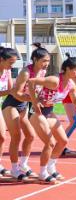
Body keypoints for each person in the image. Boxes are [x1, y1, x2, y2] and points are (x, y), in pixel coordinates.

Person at [28, 53, 76, 183]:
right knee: (50, 142)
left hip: (49, 112)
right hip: (37, 113)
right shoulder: (54, 81)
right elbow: (31, 82)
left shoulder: (71, 85)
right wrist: (35, 103)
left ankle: (51, 167)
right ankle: (42, 173)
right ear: (68, 69)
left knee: (63, 141)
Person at [2, 43, 49, 180]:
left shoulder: (42, 72)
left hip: (24, 105)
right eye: (44, 61)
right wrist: (32, 100)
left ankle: (23, 164)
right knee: (16, 136)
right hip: (12, 104)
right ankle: (14, 168)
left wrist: (40, 99)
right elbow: (16, 92)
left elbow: (37, 91)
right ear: (35, 60)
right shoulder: (25, 72)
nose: (46, 64)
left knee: (30, 136)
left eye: (48, 61)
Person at [0, 47, 18, 178]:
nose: (12, 65)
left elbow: (12, 89)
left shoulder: (7, 71)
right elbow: (9, 91)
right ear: (1, 60)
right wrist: (10, 91)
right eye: (10, 62)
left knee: (2, 137)